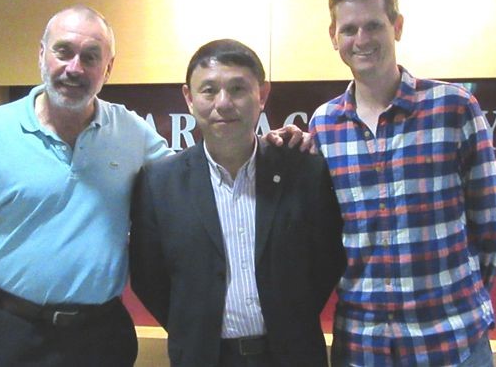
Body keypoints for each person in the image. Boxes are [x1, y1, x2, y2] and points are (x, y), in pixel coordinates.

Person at [0, 5, 172, 366]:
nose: (74, 68)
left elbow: (190, 177)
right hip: (13, 335)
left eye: (90, 57)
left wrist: (262, 149)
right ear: (42, 54)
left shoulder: (131, 132)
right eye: (63, 51)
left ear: (108, 68)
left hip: (102, 339)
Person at [309, 0, 496, 366]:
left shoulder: (453, 107)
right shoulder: (324, 124)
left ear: (397, 27)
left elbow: (492, 226)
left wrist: (456, 300)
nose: (361, 39)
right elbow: (323, 235)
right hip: (364, 347)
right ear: (334, 37)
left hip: (451, 344)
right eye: (349, 29)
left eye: (373, 25)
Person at [129, 39, 346, 367]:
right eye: (209, 90)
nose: (223, 103)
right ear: (189, 98)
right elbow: (149, 278)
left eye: (237, 89)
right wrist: (195, 330)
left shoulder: (304, 172)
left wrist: (290, 320)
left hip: (292, 355)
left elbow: (327, 260)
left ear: (262, 94)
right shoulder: (159, 183)